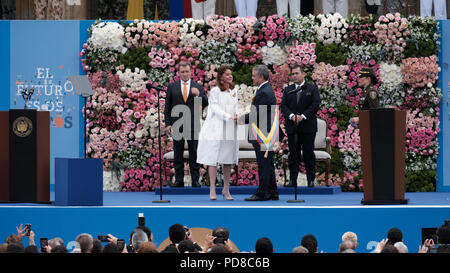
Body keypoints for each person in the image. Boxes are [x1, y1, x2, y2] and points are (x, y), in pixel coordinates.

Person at [237, 64, 279, 201]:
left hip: (262, 134)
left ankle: (262, 193)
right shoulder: (265, 89)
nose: (252, 78)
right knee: (268, 163)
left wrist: (241, 119)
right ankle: (272, 192)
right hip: (265, 133)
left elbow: (255, 114)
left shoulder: (264, 92)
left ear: (261, 77)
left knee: (264, 164)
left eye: (254, 75)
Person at [164, 62, 208, 188]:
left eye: (187, 71)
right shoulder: (172, 87)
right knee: (178, 152)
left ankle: (195, 180)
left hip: (192, 123)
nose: (184, 74)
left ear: (191, 72)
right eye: (182, 72)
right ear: (178, 73)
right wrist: (168, 124)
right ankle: (179, 180)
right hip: (177, 124)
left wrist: (198, 95)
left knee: (194, 152)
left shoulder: (197, 87)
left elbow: (206, 103)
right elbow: (167, 107)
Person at [197, 65, 238, 201]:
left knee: (228, 158)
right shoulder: (215, 91)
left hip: (230, 127)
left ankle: (226, 189)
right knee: (213, 158)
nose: (230, 76)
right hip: (216, 127)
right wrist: (227, 116)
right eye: (227, 74)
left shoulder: (233, 90)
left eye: (230, 74)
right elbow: (214, 108)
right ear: (220, 77)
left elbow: (235, 106)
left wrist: (237, 115)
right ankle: (213, 188)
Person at [281, 65, 321, 188]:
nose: (295, 76)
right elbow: (283, 106)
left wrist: (302, 116)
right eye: (293, 74)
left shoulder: (312, 88)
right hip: (293, 127)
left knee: (309, 153)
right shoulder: (288, 90)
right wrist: (292, 116)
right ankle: (293, 180)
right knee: (293, 154)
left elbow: (315, 104)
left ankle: (311, 180)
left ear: (303, 74)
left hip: (307, 126)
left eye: (297, 73)